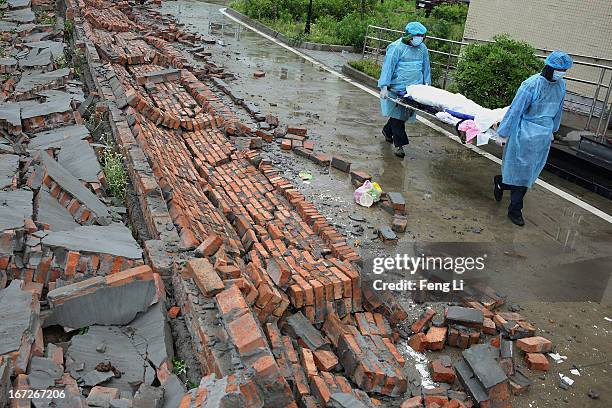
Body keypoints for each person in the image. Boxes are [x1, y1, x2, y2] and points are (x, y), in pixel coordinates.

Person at [494, 50, 573, 226]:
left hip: (543, 135)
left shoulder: (561, 86)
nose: (561, 73)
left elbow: (558, 109)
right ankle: (515, 210)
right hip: (524, 133)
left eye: (564, 70)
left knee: (528, 174)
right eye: (558, 69)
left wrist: (554, 129)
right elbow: (516, 109)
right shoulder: (531, 85)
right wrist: (503, 132)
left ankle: (501, 182)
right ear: (548, 67)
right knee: (521, 172)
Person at [378, 21, 431, 158]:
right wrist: (384, 86)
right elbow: (388, 67)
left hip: (415, 90)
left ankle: (386, 131)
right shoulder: (396, 48)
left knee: (402, 116)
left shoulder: (422, 49)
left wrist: (427, 85)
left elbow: (426, 68)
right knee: (397, 118)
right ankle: (399, 145)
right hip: (396, 88)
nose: (420, 38)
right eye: (417, 36)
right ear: (409, 36)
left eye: (422, 36)